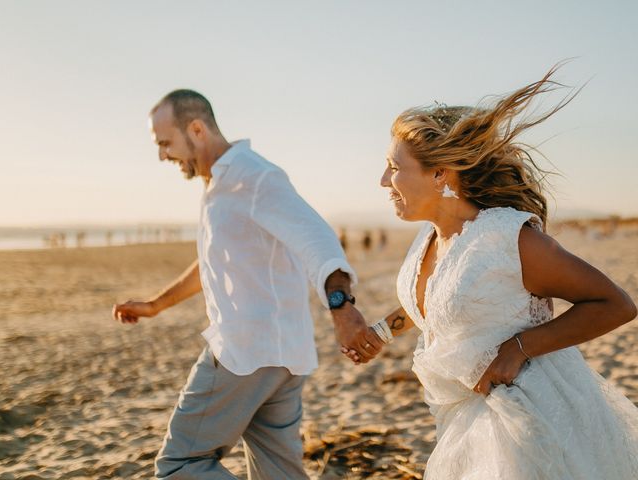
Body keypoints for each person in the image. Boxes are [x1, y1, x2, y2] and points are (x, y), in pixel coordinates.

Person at [346, 66, 638, 478]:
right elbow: (443, 302)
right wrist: (382, 331)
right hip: (461, 415)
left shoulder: (508, 238)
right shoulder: (428, 237)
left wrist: (518, 349)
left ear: (439, 173)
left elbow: (616, 305)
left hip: (526, 418)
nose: (382, 181)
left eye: (394, 167)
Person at [111, 90, 383, 479]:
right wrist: (156, 305)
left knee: (179, 465)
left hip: (245, 351)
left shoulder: (253, 177)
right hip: (283, 355)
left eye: (165, 143)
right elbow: (212, 261)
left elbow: (317, 237)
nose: (162, 155)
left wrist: (341, 307)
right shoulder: (218, 184)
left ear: (197, 129)